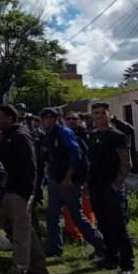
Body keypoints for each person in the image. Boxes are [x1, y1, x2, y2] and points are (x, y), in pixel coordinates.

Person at [0, 105, 50, 274]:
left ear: (10, 117)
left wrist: (27, 194)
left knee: (21, 236)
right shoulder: (8, 136)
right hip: (10, 192)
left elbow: (31, 167)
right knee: (26, 232)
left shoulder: (20, 136)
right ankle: (38, 267)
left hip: (19, 193)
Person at [38, 107, 103, 258]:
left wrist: (68, 177)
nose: (46, 121)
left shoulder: (64, 133)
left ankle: (101, 244)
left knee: (77, 215)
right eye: (44, 118)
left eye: (50, 118)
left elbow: (76, 155)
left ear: (56, 119)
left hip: (69, 181)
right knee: (52, 215)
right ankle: (55, 247)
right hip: (55, 179)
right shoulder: (49, 135)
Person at [87, 102, 135, 274]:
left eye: (102, 113)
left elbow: (126, 163)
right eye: (95, 113)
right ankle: (110, 257)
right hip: (96, 185)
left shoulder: (118, 136)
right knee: (103, 223)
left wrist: (117, 184)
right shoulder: (92, 135)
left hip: (111, 186)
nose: (98, 116)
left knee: (118, 225)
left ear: (109, 115)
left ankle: (127, 264)